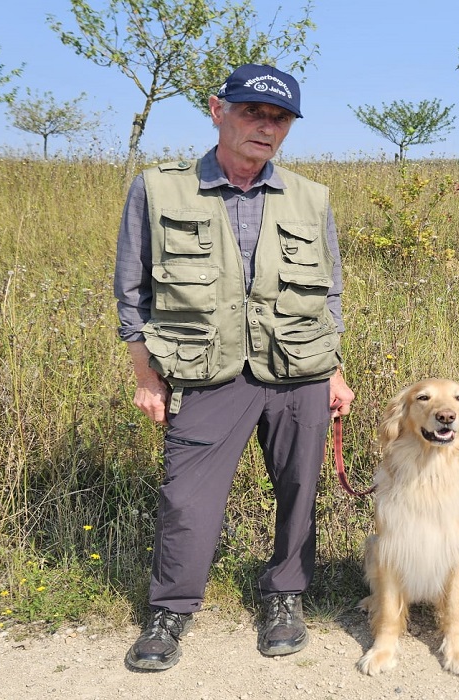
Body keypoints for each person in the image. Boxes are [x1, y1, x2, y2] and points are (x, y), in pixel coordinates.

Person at [113, 63, 355, 672]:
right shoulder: (159, 188)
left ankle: (285, 598)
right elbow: (132, 291)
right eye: (253, 112)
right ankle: (171, 610)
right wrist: (147, 376)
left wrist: (333, 370)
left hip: (299, 368)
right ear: (218, 110)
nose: (266, 128)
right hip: (204, 371)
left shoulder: (310, 196)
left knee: (300, 489)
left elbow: (329, 293)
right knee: (187, 498)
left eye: (279, 119)